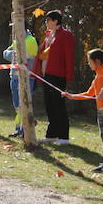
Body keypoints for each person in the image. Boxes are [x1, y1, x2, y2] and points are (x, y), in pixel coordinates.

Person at [63, 49, 103, 175]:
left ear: (97, 61)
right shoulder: (97, 75)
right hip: (100, 109)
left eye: (89, 61)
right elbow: (89, 94)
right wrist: (72, 96)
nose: (88, 64)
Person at [33, 10, 75, 144]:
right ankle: (52, 134)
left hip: (58, 75)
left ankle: (64, 136)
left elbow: (69, 55)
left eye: (48, 20)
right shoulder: (49, 35)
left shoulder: (66, 35)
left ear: (55, 21)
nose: (46, 22)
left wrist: (69, 75)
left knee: (58, 105)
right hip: (47, 75)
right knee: (49, 105)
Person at [3, 25, 38, 137]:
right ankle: (19, 129)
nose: (12, 30)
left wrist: (12, 52)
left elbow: (17, 55)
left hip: (25, 78)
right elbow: (5, 54)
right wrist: (12, 53)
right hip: (14, 76)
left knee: (24, 104)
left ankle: (25, 130)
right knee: (17, 105)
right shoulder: (17, 39)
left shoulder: (30, 40)